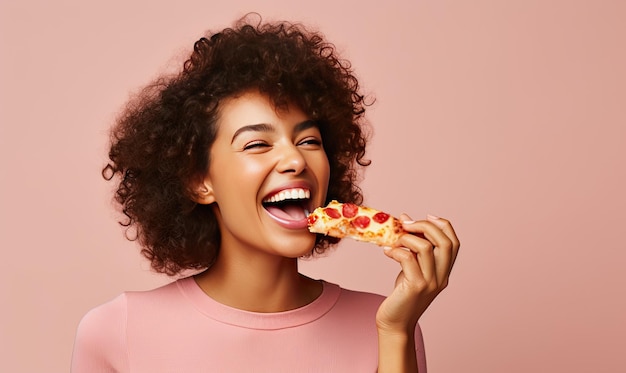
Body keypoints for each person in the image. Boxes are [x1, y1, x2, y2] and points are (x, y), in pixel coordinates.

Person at [71, 14, 460, 373]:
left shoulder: (386, 322)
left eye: (309, 140)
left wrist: (395, 332)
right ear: (198, 181)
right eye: (257, 145)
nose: (295, 159)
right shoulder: (117, 332)